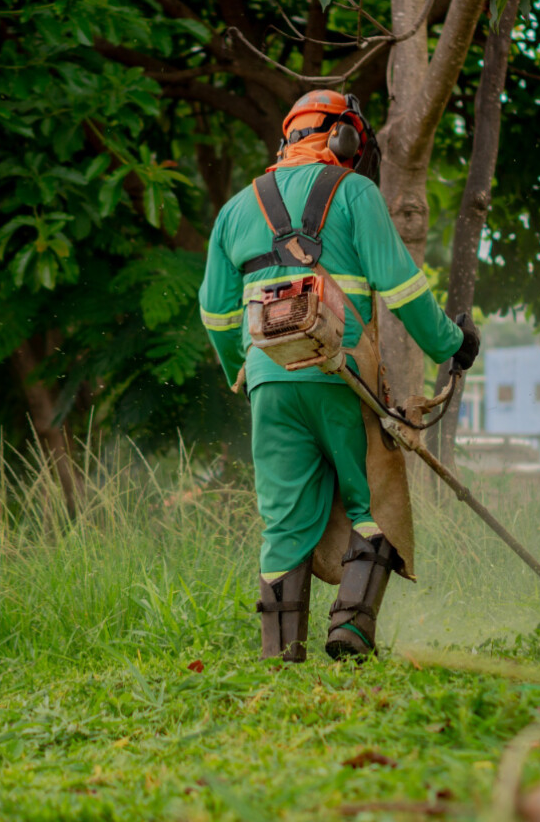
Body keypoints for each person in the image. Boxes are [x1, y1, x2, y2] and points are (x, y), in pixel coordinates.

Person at [198, 91, 480, 662]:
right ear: (346, 140)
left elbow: (216, 313)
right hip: (342, 375)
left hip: (269, 383)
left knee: (282, 519)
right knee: (372, 501)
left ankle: (280, 655)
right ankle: (350, 628)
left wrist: (247, 373)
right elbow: (401, 287)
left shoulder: (235, 210)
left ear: (287, 139)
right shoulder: (355, 193)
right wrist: (455, 343)